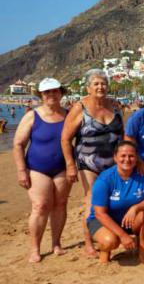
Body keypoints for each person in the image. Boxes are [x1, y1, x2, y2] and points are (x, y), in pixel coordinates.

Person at [62, 69, 123, 258]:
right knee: (91, 200)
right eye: (95, 83)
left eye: (103, 83)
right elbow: (65, 138)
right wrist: (70, 165)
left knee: (110, 202)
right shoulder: (80, 108)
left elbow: (122, 134)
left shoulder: (114, 107)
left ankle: (105, 234)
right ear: (88, 87)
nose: (100, 87)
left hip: (113, 162)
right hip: (88, 161)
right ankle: (89, 243)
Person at [13, 78, 71, 263]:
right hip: (37, 169)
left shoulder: (69, 115)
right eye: (46, 92)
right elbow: (18, 144)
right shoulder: (32, 116)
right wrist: (22, 170)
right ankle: (35, 248)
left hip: (62, 168)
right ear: (41, 95)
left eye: (54, 91)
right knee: (40, 206)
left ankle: (56, 243)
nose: (51, 95)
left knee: (60, 205)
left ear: (61, 92)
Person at [86, 141, 144, 265]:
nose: (127, 159)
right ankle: (104, 252)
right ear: (115, 158)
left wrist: (135, 208)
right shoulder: (105, 179)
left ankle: (142, 254)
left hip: (130, 219)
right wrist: (123, 236)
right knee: (110, 241)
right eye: (123, 156)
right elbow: (100, 214)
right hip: (103, 221)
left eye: (131, 156)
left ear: (136, 158)